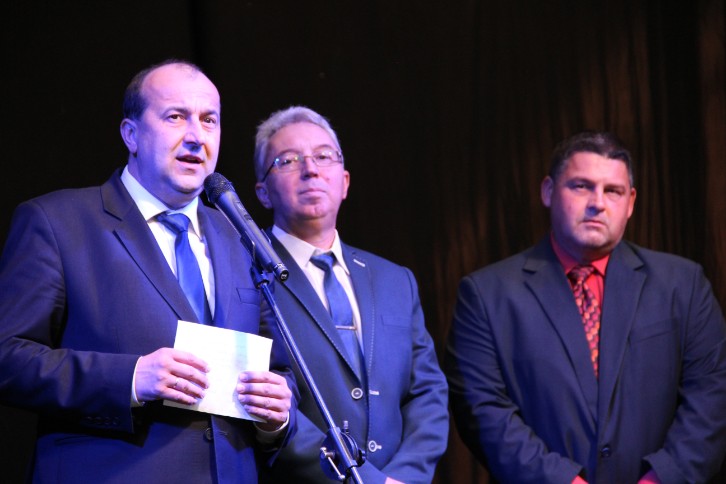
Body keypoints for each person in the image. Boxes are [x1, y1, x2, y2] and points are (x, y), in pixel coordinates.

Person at [0, 60, 297, 483]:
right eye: (175, 117)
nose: (195, 136)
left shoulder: (240, 237)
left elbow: (281, 370)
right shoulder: (57, 222)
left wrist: (277, 415)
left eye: (209, 120)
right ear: (131, 134)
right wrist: (130, 379)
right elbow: (8, 357)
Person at [444, 131, 726, 483]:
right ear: (548, 191)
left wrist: (659, 479)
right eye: (581, 186)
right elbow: (483, 410)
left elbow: (712, 396)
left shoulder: (684, 285)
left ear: (631, 202)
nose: (598, 203)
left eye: (613, 191)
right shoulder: (487, 295)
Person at [251, 106, 449, 483]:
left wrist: (402, 478)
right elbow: (262, 400)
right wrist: (366, 480)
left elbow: (428, 394)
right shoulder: (245, 274)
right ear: (262, 192)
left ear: (344, 182)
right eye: (288, 160)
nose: (311, 169)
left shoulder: (395, 280)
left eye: (324, 156)